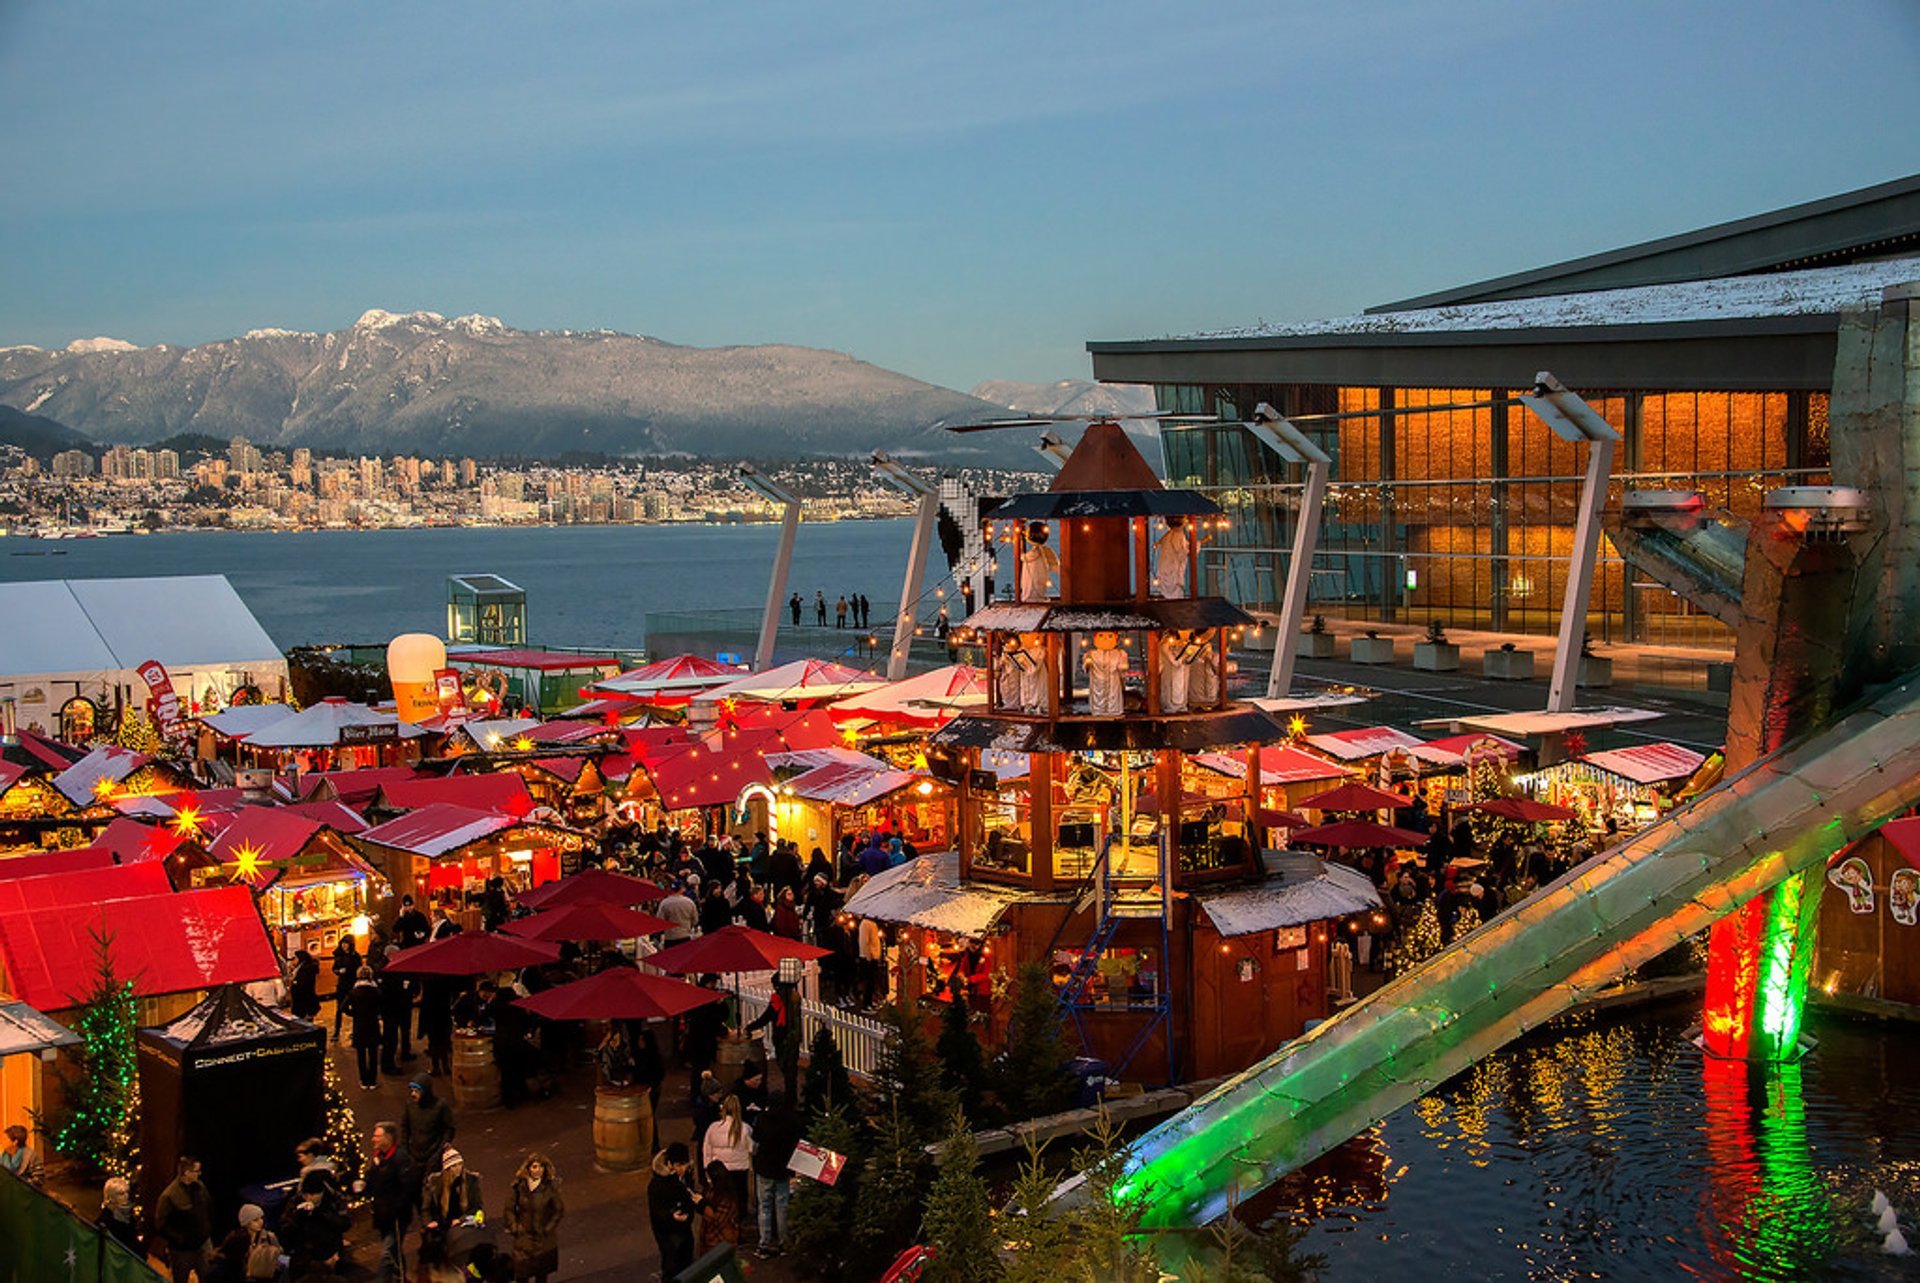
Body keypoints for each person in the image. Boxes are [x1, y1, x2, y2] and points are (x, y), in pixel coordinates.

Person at [751, 1091, 801, 1259]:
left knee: (764, 1206)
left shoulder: (763, 1119)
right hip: (782, 1170)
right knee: (782, 1207)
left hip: (764, 1168)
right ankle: (783, 1243)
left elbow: (755, 1138)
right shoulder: (791, 1120)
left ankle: (763, 1244)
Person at [361, 1122, 412, 1283]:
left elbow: (406, 1187)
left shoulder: (400, 1158)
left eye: (377, 1136)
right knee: (394, 1251)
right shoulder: (378, 1157)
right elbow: (373, 1182)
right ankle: (401, 1276)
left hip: (396, 1215)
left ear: (388, 1138)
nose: (373, 1139)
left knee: (386, 1252)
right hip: (383, 1214)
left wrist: (398, 1206)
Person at [420, 1148, 485, 1274]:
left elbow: (477, 1206)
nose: (458, 1168)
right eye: (454, 1165)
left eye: (460, 1164)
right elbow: (426, 1209)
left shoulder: (471, 1181)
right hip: (441, 1225)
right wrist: (429, 1222)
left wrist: (461, 1220)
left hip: (462, 1225)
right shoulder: (435, 1183)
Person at [503, 1152, 564, 1283]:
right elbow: (509, 1208)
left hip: (543, 1240)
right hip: (524, 1238)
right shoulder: (520, 1187)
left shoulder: (549, 1188)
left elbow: (558, 1210)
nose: (538, 1170)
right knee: (521, 1273)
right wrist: (514, 1226)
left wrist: (547, 1229)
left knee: (541, 1275)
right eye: (535, 1167)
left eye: (541, 1167)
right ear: (528, 1168)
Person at [279, 1167, 350, 1278]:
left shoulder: (334, 1199)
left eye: (312, 1195)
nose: (308, 1198)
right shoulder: (295, 1201)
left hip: (330, 1253)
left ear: (321, 1193)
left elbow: (345, 1223)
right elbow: (284, 1229)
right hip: (305, 1257)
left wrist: (322, 1214)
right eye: (305, 1194)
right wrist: (297, 1218)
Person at [647, 1142, 702, 1283]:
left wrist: (692, 1198)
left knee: (687, 1258)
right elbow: (656, 1210)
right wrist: (671, 1216)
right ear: (670, 1164)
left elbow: (688, 1191)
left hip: (684, 1226)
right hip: (667, 1231)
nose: (682, 1169)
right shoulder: (657, 1184)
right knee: (672, 1263)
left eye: (684, 1165)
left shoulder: (686, 1174)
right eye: (679, 1165)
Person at [155, 1155, 214, 1283]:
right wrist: (180, 1239)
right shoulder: (169, 1196)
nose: (199, 1174)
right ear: (187, 1173)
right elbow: (161, 1225)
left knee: (209, 1277)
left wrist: (207, 1230)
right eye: (197, 1171)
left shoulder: (200, 1188)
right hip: (182, 1252)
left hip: (203, 1245)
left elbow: (208, 1208)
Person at [402, 1077, 457, 1202]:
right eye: (412, 1090)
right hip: (415, 1156)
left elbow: (449, 1129)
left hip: (434, 1156)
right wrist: (405, 1148)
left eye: (417, 1091)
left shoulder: (440, 1106)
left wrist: (439, 1152)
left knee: (435, 1191)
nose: (413, 1094)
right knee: (415, 1191)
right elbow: (405, 1127)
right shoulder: (410, 1106)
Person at [702, 1095, 754, 1218]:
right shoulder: (745, 1128)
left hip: (720, 1171)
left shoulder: (713, 1128)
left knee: (723, 1200)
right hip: (740, 1169)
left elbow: (707, 1150)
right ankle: (739, 1226)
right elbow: (751, 1148)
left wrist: (707, 1170)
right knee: (740, 1199)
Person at [213, 1203, 281, 1283]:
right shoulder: (238, 1239)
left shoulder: (269, 1237)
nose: (260, 1222)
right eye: (255, 1220)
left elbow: (277, 1256)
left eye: (261, 1218)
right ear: (247, 1223)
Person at [378, 948, 411, 1074]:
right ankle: (387, 1066)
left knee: (391, 1038)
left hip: (394, 1008)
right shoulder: (385, 968)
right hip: (390, 1009)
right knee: (390, 1039)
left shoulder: (391, 966)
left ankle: (389, 1064)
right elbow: (387, 990)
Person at [348, 970, 383, 1089]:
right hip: (372, 1025)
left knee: (361, 1055)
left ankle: (363, 1081)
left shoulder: (353, 992)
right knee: (373, 1054)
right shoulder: (376, 991)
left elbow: (343, 1007)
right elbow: (381, 1006)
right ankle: (372, 1081)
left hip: (359, 1026)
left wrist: (354, 1013)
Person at [699, 1159, 742, 1256]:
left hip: (721, 1242)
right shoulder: (711, 1191)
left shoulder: (727, 1198)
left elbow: (717, 1220)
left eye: (709, 1178)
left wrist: (701, 1205)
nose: (708, 1181)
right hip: (711, 1240)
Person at [98, 1175, 141, 1255]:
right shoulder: (105, 1220)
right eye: (121, 1194)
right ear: (111, 1197)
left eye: (127, 1192)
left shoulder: (129, 1215)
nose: (126, 1196)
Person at [330, 936, 361, 1038]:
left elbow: (358, 969)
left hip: (352, 984)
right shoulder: (339, 956)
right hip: (342, 984)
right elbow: (334, 968)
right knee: (339, 1009)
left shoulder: (355, 956)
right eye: (342, 943)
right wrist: (338, 971)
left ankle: (356, 1031)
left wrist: (348, 971)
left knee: (354, 1008)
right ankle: (336, 1032)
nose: (344, 945)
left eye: (346, 943)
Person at [288, 945, 322, 1022]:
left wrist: (294, 982)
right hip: (300, 1003)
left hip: (304, 1004)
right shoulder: (299, 969)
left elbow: (303, 986)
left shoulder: (306, 970)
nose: (293, 960)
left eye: (295, 958)